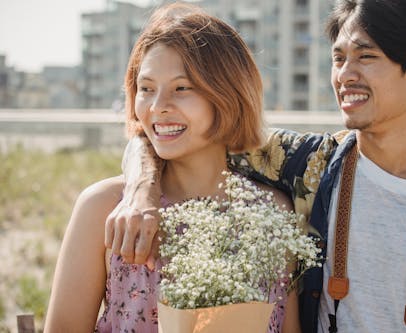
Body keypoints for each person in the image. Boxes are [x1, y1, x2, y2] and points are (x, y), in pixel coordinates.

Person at [105, 0, 406, 332]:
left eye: (366, 57)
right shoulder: (303, 161)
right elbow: (173, 132)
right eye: (339, 58)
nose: (345, 76)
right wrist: (141, 189)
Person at [44, 3, 301, 332]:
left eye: (182, 88)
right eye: (146, 88)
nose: (157, 107)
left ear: (229, 95)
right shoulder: (103, 207)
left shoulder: (272, 212)